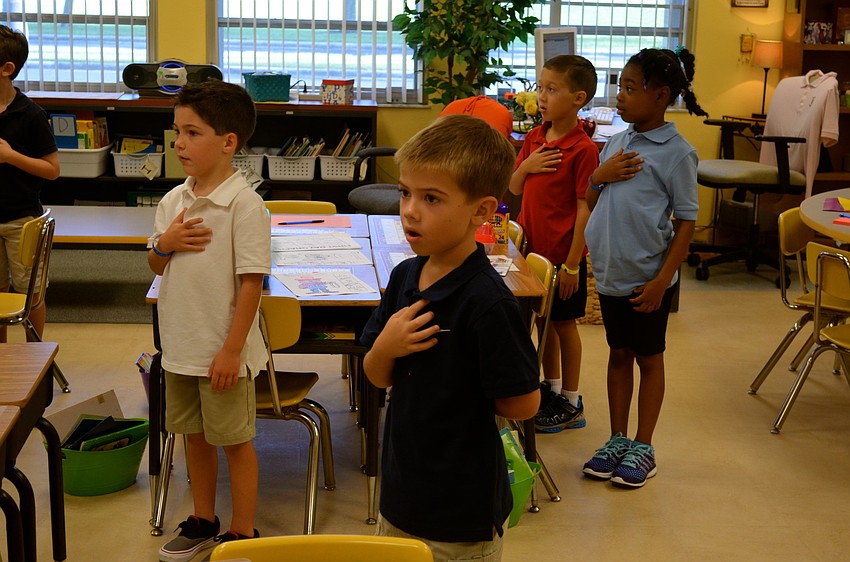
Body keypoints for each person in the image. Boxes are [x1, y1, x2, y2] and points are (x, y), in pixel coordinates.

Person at [361, 114, 541, 562]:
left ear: (481, 211)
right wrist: (387, 346)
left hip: (461, 514)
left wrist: (467, 377)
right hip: (400, 497)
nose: (409, 209)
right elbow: (376, 374)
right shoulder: (406, 275)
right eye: (405, 192)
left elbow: (524, 403)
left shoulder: (488, 302)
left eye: (431, 198)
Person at [150, 81, 270, 561]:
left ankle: (242, 534)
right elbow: (156, 267)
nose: (178, 142)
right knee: (193, 437)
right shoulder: (173, 201)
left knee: (234, 441)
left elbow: (251, 284)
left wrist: (231, 349)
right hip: (181, 347)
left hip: (223, 351)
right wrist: (166, 243)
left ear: (228, 142)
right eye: (177, 131)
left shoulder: (245, 205)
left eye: (191, 132)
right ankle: (203, 519)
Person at [582, 47, 706, 488]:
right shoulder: (617, 142)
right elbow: (594, 200)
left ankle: (643, 445)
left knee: (649, 360)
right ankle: (616, 438)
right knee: (618, 354)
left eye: (631, 89)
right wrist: (601, 174)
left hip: (648, 278)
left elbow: (687, 222)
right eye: (621, 86)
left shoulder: (677, 153)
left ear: (661, 96)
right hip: (613, 272)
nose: (620, 96)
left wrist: (661, 281)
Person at [508, 55, 599, 433]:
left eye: (551, 89)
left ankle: (572, 401)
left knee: (564, 326)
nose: (541, 97)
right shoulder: (533, 137)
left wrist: (574, 264)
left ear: (578, 98)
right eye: (540, 87)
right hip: (532, 253)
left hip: (564, 257)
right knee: (542, 323)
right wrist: (525, 167)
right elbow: (513, 189)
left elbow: (585, 210)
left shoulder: (582, 149)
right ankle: (554, 388)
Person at [0, 24, 60, 343]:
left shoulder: (30, 114)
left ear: (7, 69)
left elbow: (51, 169)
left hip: (21, 220)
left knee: (29, 293)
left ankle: (35, 358)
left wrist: (10, 156)